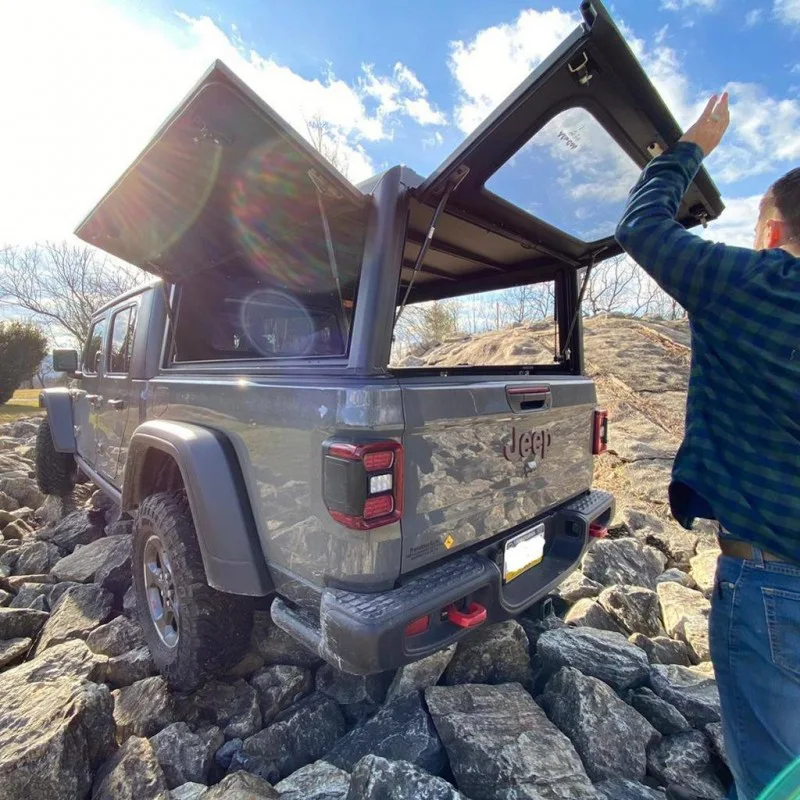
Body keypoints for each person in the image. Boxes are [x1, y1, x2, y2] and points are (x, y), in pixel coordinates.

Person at [615, 93, 800, 800]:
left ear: (772, 229)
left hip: (772, 588)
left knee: (775, 784)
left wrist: (691, 146)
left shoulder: (758, 283)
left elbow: (641, 226)